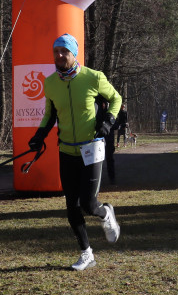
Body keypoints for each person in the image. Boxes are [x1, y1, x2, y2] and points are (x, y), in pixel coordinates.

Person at [29, 34, 122, 271]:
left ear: (74, 54)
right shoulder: (50, 83)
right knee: (71, 206)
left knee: (88, 205)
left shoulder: (93, 77)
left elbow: (116, 98)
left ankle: (105, 213)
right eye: (56, 51)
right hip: (66, 150)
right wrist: (39, 136)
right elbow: (50, 115)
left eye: (64, 51)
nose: (59, 55)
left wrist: (109, 121)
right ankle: (86, 253)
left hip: (91, 148)